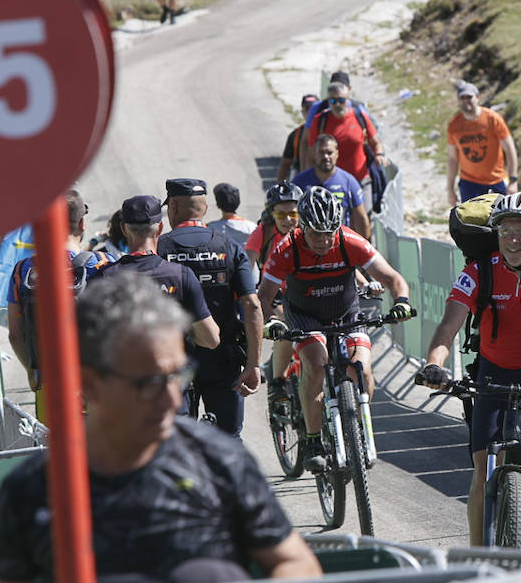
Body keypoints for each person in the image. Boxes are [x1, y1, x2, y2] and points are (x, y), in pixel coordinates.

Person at [0, 271, 321, 583]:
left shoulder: (220, 461)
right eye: (148, 383)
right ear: (88, 384)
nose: (173, 399)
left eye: (178, 375)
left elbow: (297, 564)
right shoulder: (32, 490)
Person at [416, 192, 521, 544]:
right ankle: (479, 556)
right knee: (481, 472)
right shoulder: (478, 272)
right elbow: (448, 327)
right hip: (494, 371)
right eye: (505, 231)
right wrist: (434, 365)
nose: (513, 240)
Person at [257, 187, 413, 471]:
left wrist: (401, 302)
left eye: (329, 232)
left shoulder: (349, 241)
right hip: (305, 316)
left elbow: (393, 278)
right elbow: (264, 296)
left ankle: (358, 426)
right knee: (316, 365)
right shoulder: (286, 249)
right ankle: (314, 440)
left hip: (346, 313)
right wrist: (271, 322)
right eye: (315, 233)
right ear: (302, 226)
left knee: (363, 371)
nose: (323, 240)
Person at [158, 178, 264, 438]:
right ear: (205, 209)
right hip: (222, 359)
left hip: (175, 363)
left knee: (176, 442)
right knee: (229, 440)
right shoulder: (230, 247)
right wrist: (254, 364)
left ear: (172, 207)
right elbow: (251, 305)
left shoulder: (160, 248)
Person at [6, 190, 112, 421]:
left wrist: (33, 371)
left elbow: (15, 335)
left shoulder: (23, 271)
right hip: (101, 382)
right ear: (82, 223)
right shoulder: (107, 264)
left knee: (54, 452)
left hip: (50, 380)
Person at [96, 195, 221, 351]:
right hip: (166, 370)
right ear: (160, 228)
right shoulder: (181, 275)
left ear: (124, 229)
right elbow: (211, 339)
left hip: (121, 371)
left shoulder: (104, 277)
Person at [246, 181, 305, 402]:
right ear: (271, 214)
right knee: (285, 323)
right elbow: (247, 264)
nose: (288, 220)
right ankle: (278, 382)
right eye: (281, 215)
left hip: (305, 290)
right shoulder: (264, 231)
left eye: (293, 213)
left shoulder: (307, 231)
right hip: (274, 293)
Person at [300, 78, 387, 192]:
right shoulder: (320, 121)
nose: (337, 104)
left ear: (348, 99)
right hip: (330, 184)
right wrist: (310, 181)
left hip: (360, 181)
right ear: (328, 101)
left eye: (341, 100)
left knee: (364, 211)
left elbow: (376, 142)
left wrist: (379, 154)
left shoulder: (360, 116)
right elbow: (311, 154)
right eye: (333, 101)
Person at [446, 80, 519, 205]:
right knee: (471, 222)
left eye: (469, 97)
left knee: (497, 221)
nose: (466, 101)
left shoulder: (492, 119)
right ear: (458, 101)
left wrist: (513, 181)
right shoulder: (454, 125)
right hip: (469, 183)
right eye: (462, 98)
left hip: (496, 181)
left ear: (477, 98)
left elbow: (510, 149)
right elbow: (453, 159)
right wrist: (450, 189)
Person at [293, 133, 372, 239]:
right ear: (314, 154)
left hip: (339, 244)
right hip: (308, 245)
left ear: (337, 154)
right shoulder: (299, 182)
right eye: (321, 152)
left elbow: (361, 219)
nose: (326, 157)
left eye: (329, 152)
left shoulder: (348, 182)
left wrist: (363, 250)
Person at [278, 93, 321, 182]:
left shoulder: (327, 130)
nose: (310, 112)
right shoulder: (295, 135)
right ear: (302, 112)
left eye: (314, 109)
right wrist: (279, 185)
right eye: (307, 109)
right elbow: (286, 163)